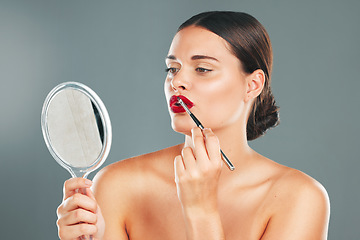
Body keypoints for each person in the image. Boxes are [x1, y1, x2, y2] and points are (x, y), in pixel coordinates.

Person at [56, 11, 330, 240]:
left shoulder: (300, 198)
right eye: (172, 69)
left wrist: (201, 211)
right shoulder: (117, 184)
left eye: (202, 69)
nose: (177, 83)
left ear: (253, 84)